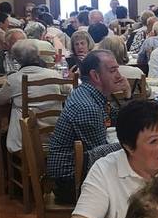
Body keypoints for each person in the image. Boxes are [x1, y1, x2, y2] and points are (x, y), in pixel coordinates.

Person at [47, 50, 130, 204]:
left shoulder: (88, 93)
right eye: (113, 71)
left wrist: (127, 96)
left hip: (77, 171)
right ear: (96, 76)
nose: (119, 76)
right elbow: (102, 158)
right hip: (70, 183)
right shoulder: (87, 107)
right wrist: (135, 145)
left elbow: (115, 118)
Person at [0, 40, 65, 153]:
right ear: (38, 55)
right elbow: (68, 90)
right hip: (55, 137)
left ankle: (12, 170)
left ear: (17, 59)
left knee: (3, 134)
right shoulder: (54, 75)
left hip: (24, 141)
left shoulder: (14, 79)